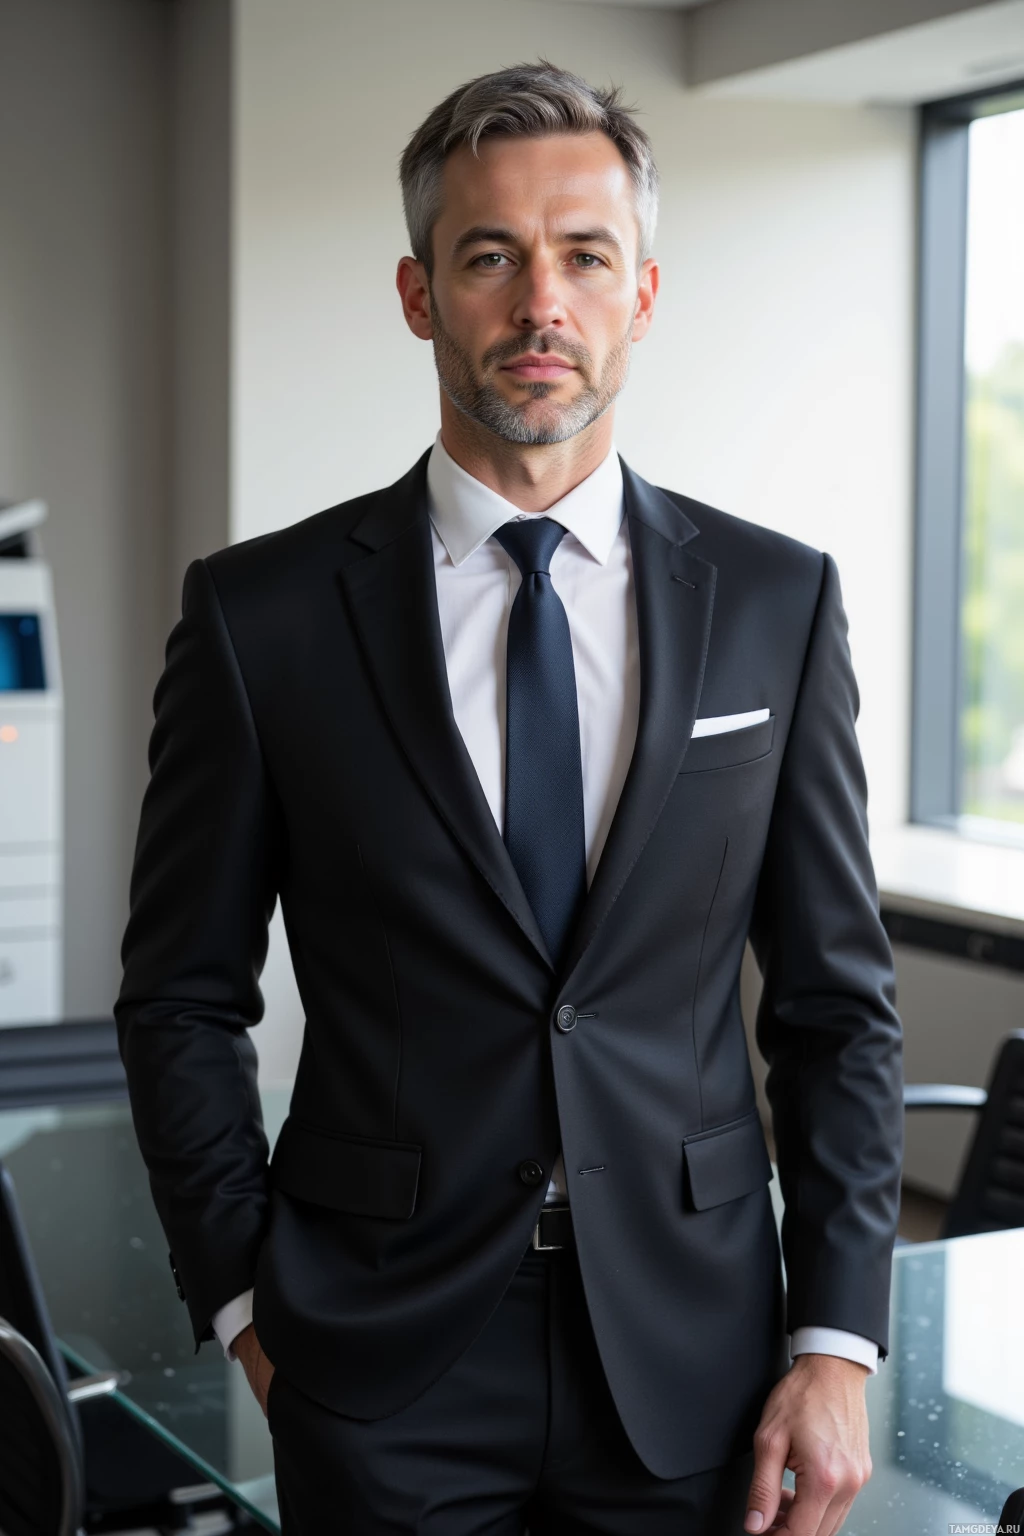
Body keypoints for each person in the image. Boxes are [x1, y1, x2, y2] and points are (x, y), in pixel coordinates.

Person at [115, 58, 904, 1536]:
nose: (542, 302)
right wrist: (243, 1309)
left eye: (584, 257)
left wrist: (836, 1340)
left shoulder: (775, 604)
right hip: (377, 1360)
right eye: (490, 257)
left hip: (695, 1356)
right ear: (420, 294)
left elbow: (835, 1004)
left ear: (643, 295)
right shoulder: (261, 618)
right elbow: (180, 997)